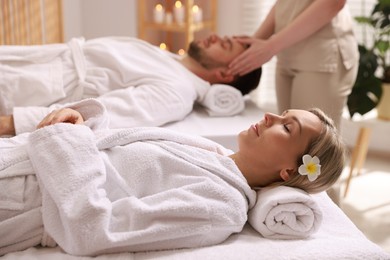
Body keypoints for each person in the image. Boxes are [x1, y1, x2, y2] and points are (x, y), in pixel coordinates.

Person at [0, 98, 346, 256]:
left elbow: (95, 229)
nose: (270, 115)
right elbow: (118, 156)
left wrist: (66, 141)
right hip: (18, 157)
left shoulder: (221, 207)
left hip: (17, 201)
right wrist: (79, 121)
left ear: (288, 171)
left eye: (287, 127)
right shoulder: (212, 153)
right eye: (283, 113)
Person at [0, 34, 262, 136]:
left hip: (29, 86)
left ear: (228, 74)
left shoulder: (177, 92)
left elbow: (96, 112)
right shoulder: (172, 62)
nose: (215, 36)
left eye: (224, 45)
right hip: (33, 63)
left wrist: (9, 124)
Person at [228, 0, 359, 129]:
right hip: (286, 53)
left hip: (320, 57)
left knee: (312, 146)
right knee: (286, 141)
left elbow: (333, 3)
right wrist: (251, 47)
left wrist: (270, 47)